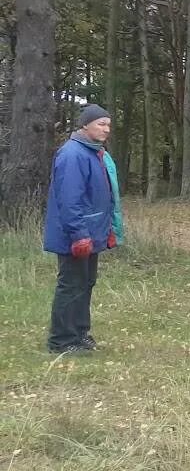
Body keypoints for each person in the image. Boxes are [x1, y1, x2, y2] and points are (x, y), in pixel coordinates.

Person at [44, 104, 118, 354]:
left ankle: (80, 333)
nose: (106, 129)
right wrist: (79, 235)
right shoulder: (73, 155)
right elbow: (69, 199)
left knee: (85, 283)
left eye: (108, 124)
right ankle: (62, 341)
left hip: (91, 233)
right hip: (75, 235)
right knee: (71, 284)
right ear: (85, 125)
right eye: (101, 124)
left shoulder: (93, 153)